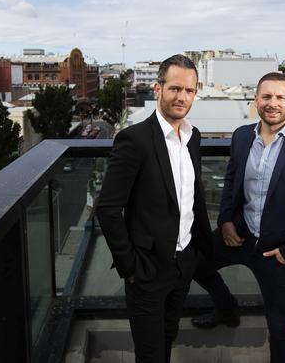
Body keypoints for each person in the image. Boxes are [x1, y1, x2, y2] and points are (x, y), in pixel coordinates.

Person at [191, 72, 285, 363]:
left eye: (280, 97)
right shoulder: (242, 136)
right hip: (239, 234)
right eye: (266, 96)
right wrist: (226, 221)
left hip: (277, 250)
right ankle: (227, 308)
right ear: (255, 100)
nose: (273, 103)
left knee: (278, 323)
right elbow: (232, 180)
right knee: (195, 263)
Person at [97, 54, 212, 363]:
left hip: (183, 263)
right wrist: (130, 267)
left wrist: (198, 250)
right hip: (147, 270)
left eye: (188, 91)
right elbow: (107, 209)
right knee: (149, 355)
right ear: (158, 88)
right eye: (175, 88)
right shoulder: (134, 140)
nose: (181, 97)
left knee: (167, 337)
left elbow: (192, 198)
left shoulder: (193, 137)